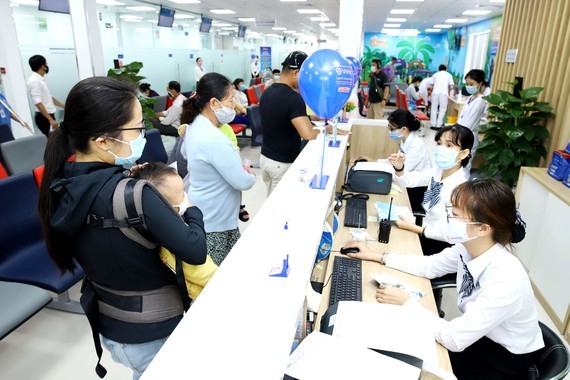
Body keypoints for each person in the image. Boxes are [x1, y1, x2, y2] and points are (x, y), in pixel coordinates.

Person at [37, 76, 207, 380]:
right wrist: (187, 206)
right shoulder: (136, 195)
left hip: (110, 324)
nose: (143, 134)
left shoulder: (61, 184)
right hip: (152, 329)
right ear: (103, 141)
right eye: (137, 128)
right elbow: (195, 250)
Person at [343, 179, 544, 380]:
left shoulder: (506, 279)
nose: (449, 220)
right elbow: (429, 266)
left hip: (499, 360)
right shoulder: (468, 247)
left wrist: (406, 302)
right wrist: (378, 256)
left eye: (455, 216)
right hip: (476, 337)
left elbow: (455, 339)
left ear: (483, 229)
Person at [180, 72, 256, 265]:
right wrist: (250, 175)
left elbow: (189, 156)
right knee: (219, 278)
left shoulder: (194, 127)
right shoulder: (214, 138)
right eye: (230, 101)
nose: (233, 107)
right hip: (215, 220)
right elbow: (241, 181)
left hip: (204, 210)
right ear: (214, 103)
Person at [259, 51, 346, 195]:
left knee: (271, 199)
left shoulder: (268, 92)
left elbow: (282, 117)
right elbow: (308, 134)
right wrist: (327, 129)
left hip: (266, 159)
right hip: (282, 163)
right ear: (296, 72)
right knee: (278, 208)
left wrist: (311, 118)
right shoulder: (293, 97)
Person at [130, 162, 217, 300]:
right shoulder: (175, 241)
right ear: (164, 208)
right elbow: (205, 275)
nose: (185, 197)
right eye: (181, 194)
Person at [388, 125, 474, 256]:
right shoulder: (438, 171)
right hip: (424, 229)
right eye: (439, 143)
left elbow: (452, 233)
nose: (441, 149)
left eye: (449, 145)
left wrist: (416, 228)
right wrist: (400, 168)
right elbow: (411, 180)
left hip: (440, 246)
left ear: (463, 153)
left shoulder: (461, 188)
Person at [27, 54, 65, 136]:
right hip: (44, 117)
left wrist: (64, 106)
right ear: (42, 66)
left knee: (55, 140)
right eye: (46, 64)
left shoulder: (40, 80)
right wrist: (50, 119)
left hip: (47, 116)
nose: (47, 66)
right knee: (52, 142)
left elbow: (49, 98)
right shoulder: (34, 81)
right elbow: (38, 102)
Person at [457, 69, 488, 158]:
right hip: (462, 133)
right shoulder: (471, 97)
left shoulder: (481, 100)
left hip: (468, 135)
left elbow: (470, 120)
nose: (468, 86)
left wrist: (459, 133)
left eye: (471, 84)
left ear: (480, 83)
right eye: (467, 84)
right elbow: (463, 117)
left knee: (465, 165)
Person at [430, 64, 454, 129]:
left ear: (439, 69)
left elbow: (431, 86)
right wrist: (448, 91)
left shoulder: (435, 74)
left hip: (435, 93)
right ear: (446, 69)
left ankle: (433, 124)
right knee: (442, 109)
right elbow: (451, 87)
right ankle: (439, 125)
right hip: (444, 93)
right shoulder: (449, 75)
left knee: (434, 109)